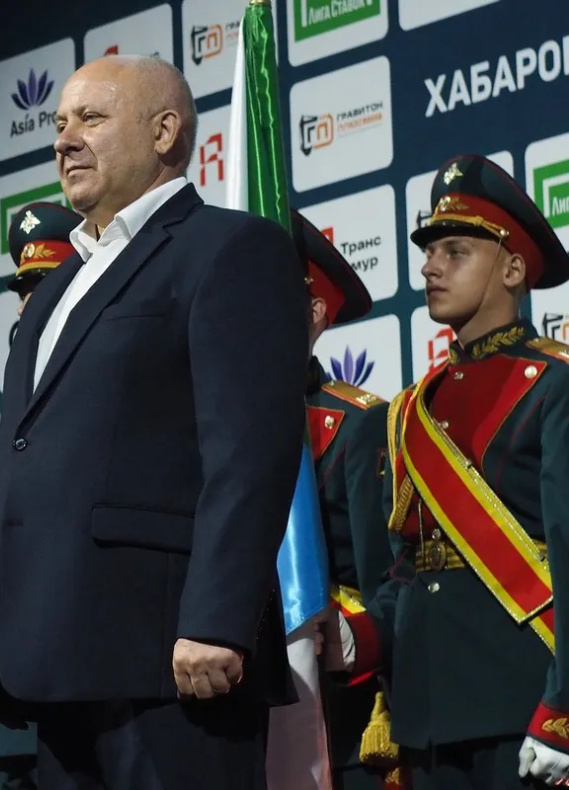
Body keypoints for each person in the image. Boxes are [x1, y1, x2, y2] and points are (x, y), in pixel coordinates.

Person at [0, 54, 306, 789]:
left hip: (167, 656)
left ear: (164, 132)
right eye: (59, 123)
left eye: (90, 118)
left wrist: (216, 618)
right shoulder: (55, 290)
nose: (64, 140)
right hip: (46, 663)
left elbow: (248, 453)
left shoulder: (230, 247)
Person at [336, 154, 569, 788]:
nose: (429, 267)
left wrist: (562, 709)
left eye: (456, 251)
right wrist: (358, 639)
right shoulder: (409, 411)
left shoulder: (553, 386)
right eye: (429, 251)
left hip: (523, 709)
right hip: (427, 718)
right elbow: (408, 572)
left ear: (513, 269)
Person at [266, 211, 400, 790]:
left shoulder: (358, 423)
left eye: (273, 293)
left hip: (336, 702)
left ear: (315, 313)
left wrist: (351, 635)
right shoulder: (210, 424)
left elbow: (384, 575)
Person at [0, 200, 83, 790]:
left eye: (46, 284)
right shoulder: (21, 371)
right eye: (25, 289)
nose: (27, 304)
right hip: (15, 682)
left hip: (86, 663)